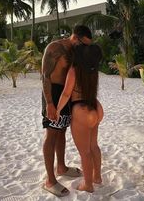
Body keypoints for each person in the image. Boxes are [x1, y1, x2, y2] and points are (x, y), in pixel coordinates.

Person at [41, 25, 92, 197]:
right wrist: (49, 103)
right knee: (51, 134)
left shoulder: (76, 53)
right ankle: (50, 180)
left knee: (61, 131)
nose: (85, 48)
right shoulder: (55, 48)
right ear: (75, 38)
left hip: (66, 94)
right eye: (83, 44)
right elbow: (45, 76)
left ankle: (61, 167)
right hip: (53, 94)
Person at [56, 43, 104, 193]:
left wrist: (57, 110)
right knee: (94, 146)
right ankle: (97, 177)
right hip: (96, 108)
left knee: (85, 152)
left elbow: (66, 94)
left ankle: (88, 185)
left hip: (81, 110)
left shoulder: (74, 70)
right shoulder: (93, 70)